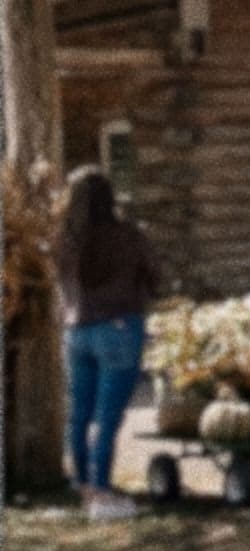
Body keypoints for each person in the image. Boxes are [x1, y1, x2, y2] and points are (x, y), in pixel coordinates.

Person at [54, 167, 158, 521]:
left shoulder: (65, 240)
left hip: (76, 329)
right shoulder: (128, 235)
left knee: (79, 414)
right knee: (107, 417)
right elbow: (153, 275)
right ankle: (101, 490)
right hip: (118, 325)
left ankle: (83, 484)